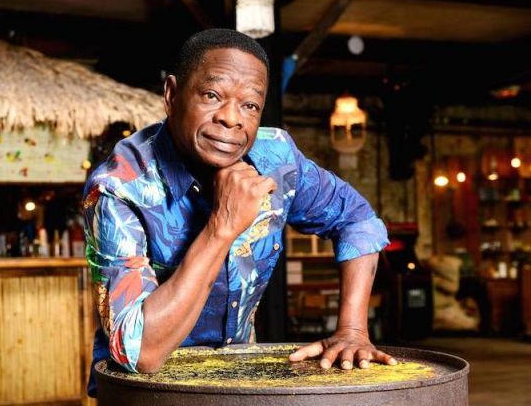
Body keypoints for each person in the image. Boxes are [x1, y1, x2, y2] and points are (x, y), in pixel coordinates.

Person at [82, 28, 395, 396]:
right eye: (212, 96)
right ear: (172, 95)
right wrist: (222, 226)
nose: (232, 119)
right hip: (144, 395)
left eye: (250, 106)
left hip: (237, 384)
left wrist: (352, 329)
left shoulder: (275, 158)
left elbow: (357, 219)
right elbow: (141, 352)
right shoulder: (120, 188)